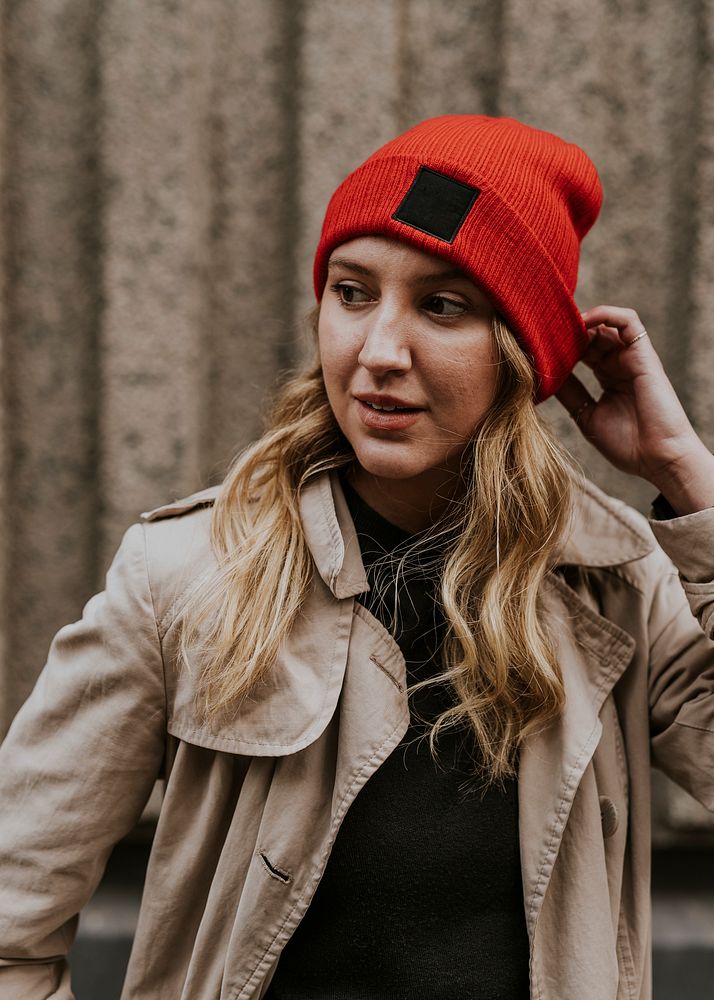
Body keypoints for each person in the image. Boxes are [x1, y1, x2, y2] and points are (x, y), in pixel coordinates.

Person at [0, 114, 713, 1000]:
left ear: (520, 353)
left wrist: (689, 484)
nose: (378, 351)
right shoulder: (185, 577)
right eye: (352, 291)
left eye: (442, 304)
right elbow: (10, 926)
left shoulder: (615, 586)